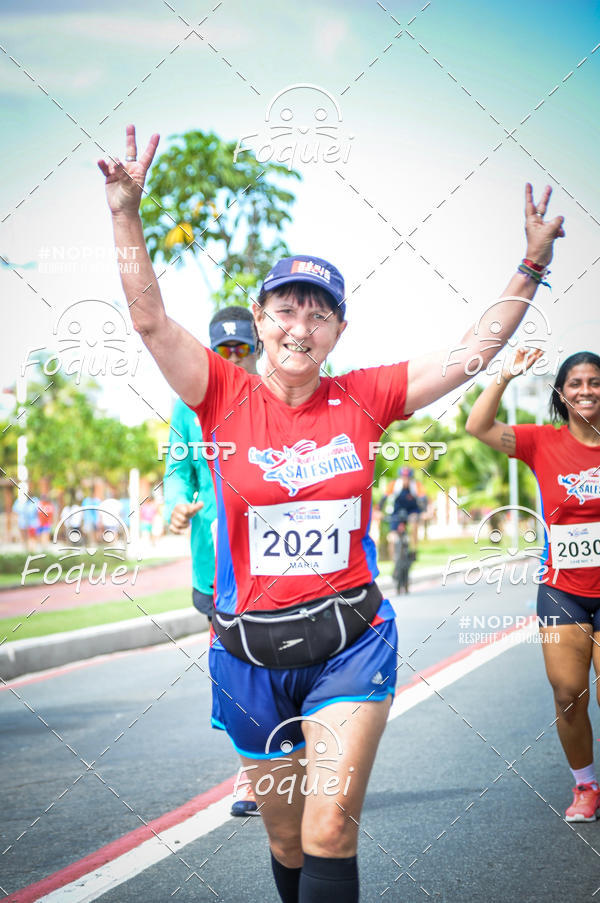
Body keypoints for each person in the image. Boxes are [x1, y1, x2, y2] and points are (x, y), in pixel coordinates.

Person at [99, 123, 564, 902]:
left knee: (329, 828)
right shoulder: (220, 393)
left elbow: (467, 355)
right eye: (286, 308)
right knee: (285, 837)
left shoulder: (365, 396)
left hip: (350, 642)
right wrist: (125, 212)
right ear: (260, 317)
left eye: (319, 314)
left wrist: (529, 266)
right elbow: (150, 320)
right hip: (247, 655)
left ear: (337, 330)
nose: (300, 326)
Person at [466, 348, 600, 822]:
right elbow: (477, 427)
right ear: (561, 394)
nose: (586, 390)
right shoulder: (541, 441)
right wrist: (502, 375)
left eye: (595, 382)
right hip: (562, 589)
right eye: (576, 383)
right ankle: (586, 786)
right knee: (568, 693)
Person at [164, 304, 261, 817]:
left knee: (280, 663)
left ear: (258, 350)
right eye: (221, 351)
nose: (231, 359)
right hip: (214, 569)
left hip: (274, 568)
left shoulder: (277, 395)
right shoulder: (189, 407)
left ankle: (274, 764)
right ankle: (250, 768)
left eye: (241, 350)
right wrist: (176, 505)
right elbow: (178, 471)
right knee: (231, 672)